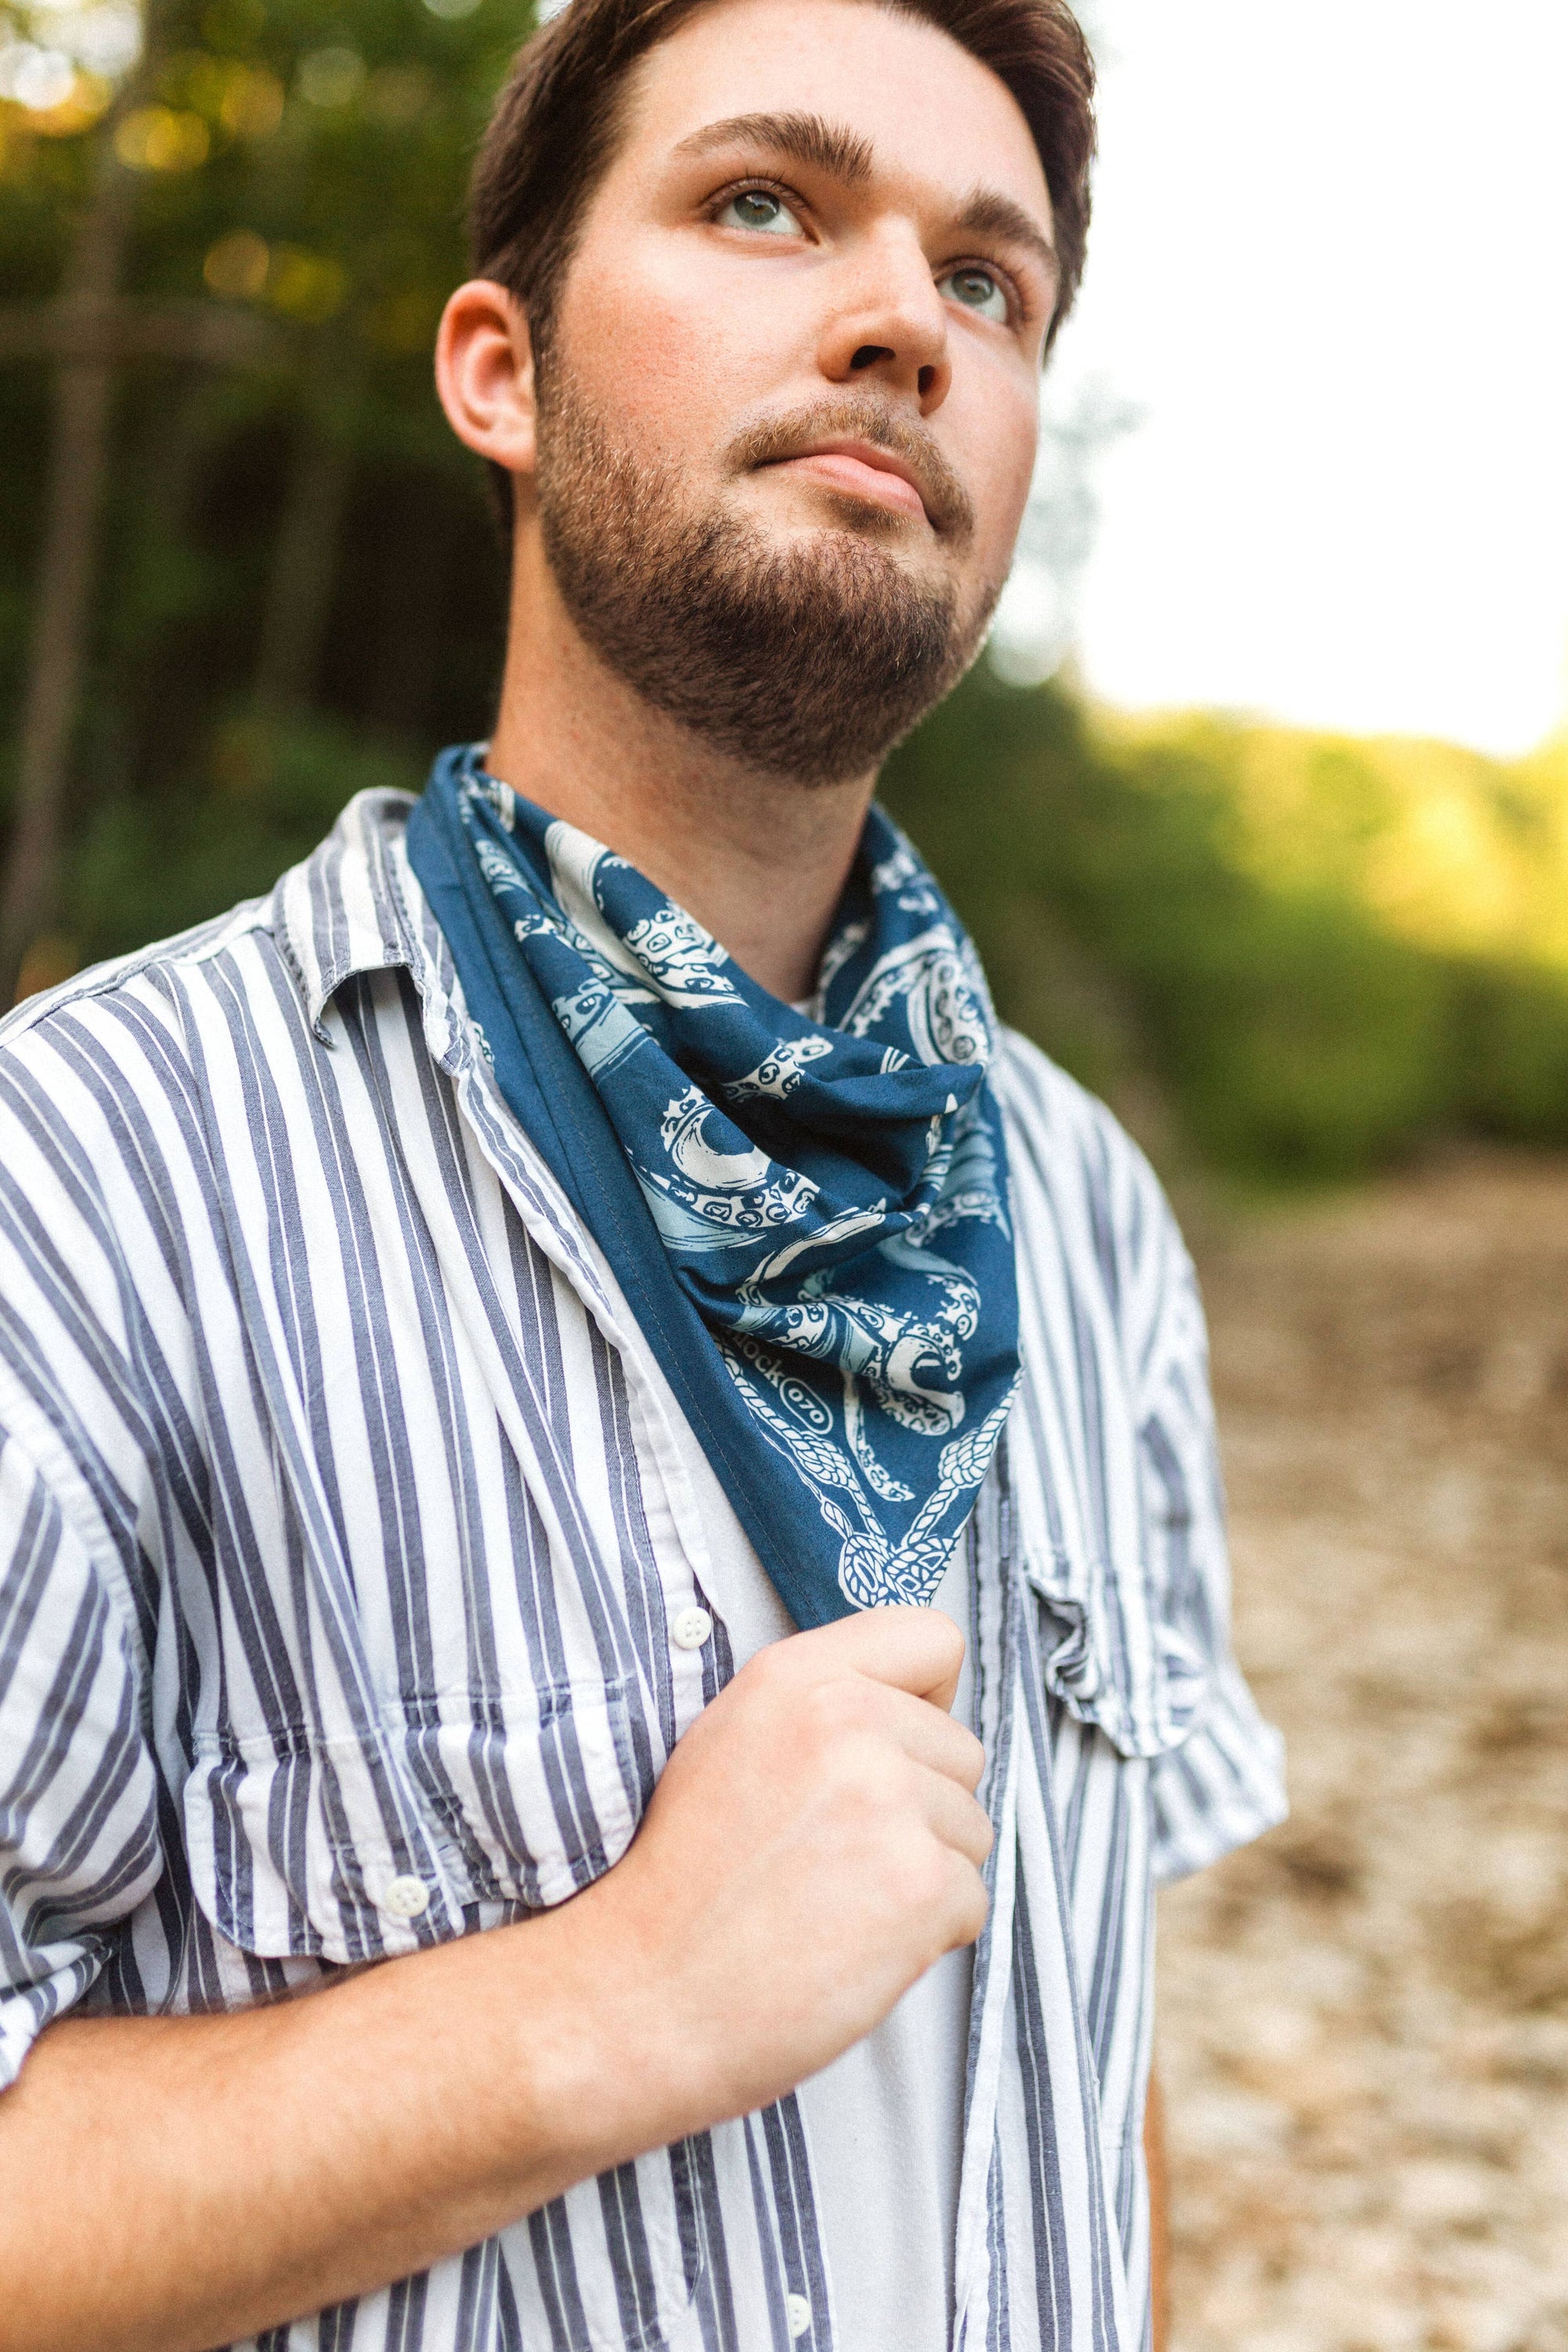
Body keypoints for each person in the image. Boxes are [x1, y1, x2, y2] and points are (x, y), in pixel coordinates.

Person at [0, 1, 1286, 2347]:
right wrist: (607, 2006)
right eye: (766, 205)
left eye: (987, 283)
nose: (905, 320)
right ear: (500, 371)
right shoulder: (79, 1184)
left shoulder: (1085, 1207)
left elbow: (1092, 2045)